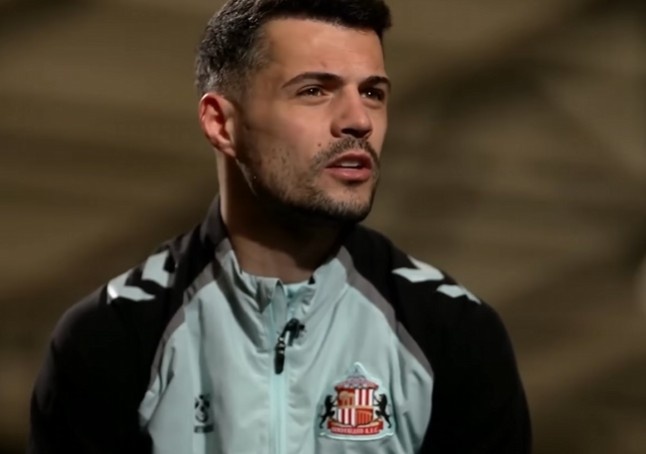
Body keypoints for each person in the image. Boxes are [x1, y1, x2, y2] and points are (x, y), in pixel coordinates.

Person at [28, 0, 531, 453]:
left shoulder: (453, 332)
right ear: (221, 124)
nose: (358, 120)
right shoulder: (112, 335)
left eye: (372, 92)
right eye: (314, 90)